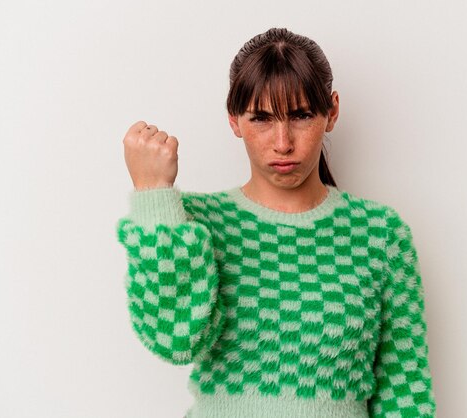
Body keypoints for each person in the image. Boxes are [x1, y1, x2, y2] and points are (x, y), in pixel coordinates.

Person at [116, 28, 436, 418]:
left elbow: (405, 394)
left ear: (331, 111)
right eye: (262, 118)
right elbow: (174, 340)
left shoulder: (380, 235)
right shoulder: (194, 224)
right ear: (234, 120)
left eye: (301, 115)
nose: (283, 142)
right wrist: (153, 196)